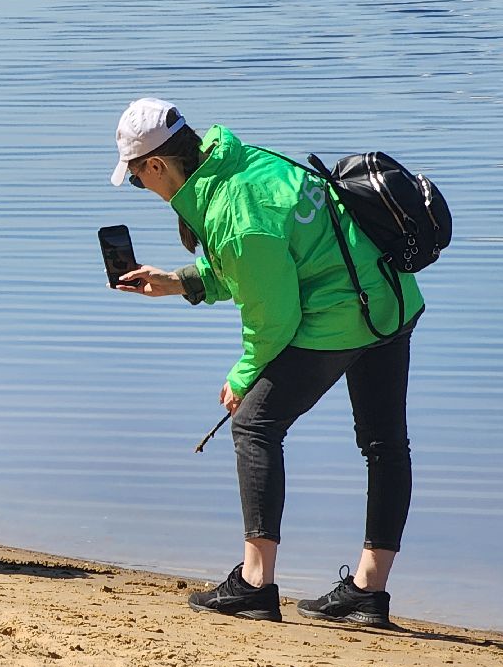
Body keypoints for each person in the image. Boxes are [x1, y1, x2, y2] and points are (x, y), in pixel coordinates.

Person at [108, 98, 424, 626]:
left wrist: (242, 376)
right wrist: (182, 281)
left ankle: (256, 583)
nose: (145, 190)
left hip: (340, 313)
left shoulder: (233, 208)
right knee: (384, 442)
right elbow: (267, 264)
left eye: (139, 180)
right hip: (390, 301)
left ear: (158, 165)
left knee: (254, 425)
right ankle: (368, 591)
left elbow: (274, 315)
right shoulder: (242, 161)